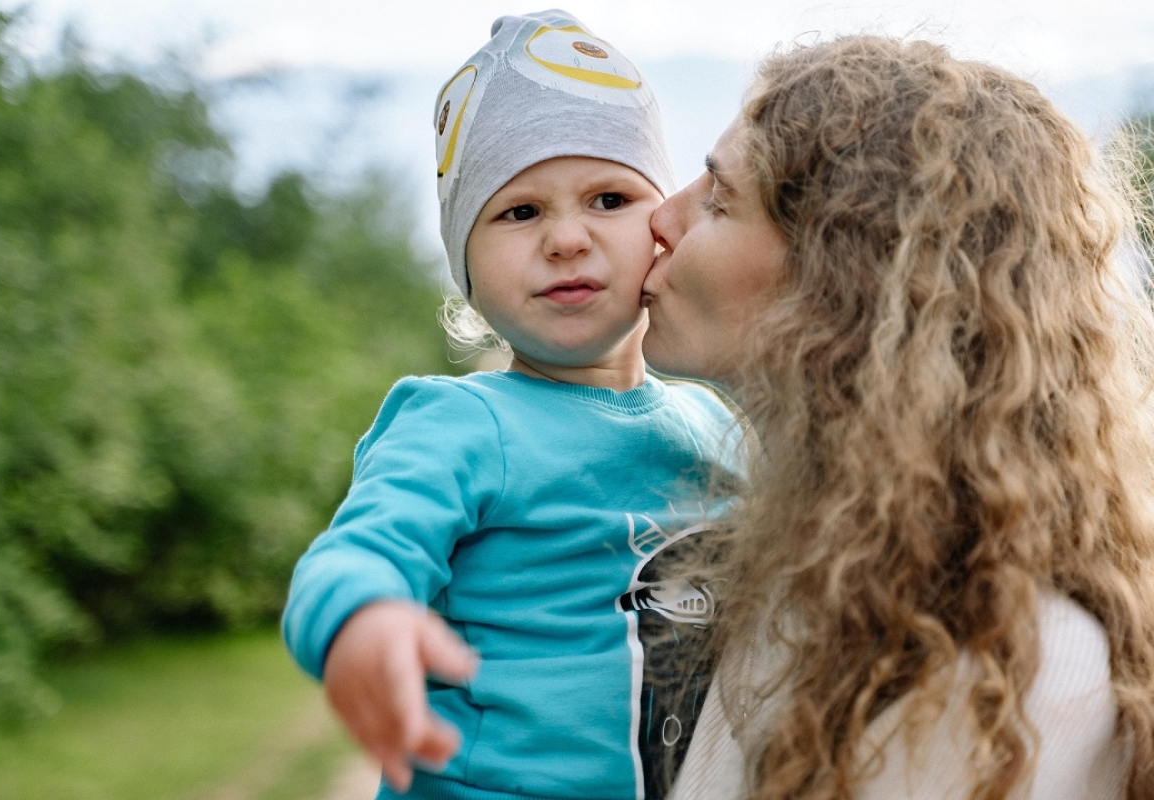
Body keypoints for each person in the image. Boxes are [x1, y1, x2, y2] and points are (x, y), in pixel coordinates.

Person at [639, 35, 1154, 799]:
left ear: (840, 287)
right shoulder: (817, 575)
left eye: (718, 201)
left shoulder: (1003, 669)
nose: (660, 216)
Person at [282, 10, 740, 800]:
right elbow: (358, 552)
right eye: (519, 211)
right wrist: (366, 619)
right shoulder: (462, 425)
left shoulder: (718, 428)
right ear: (466, 268)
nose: (566, 237)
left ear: (663, 226)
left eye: (607, 197)